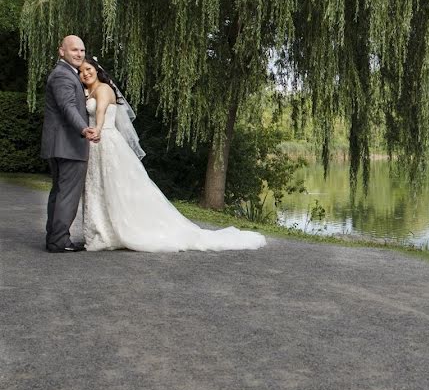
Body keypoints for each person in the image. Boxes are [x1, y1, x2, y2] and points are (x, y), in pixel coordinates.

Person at [79, 58, 266, 252]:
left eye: (89, 68)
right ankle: (103, 230)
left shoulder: (103, 89)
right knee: (98, 186)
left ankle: (118, 230)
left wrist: (98, 129)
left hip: (105, 139)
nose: (86, 73)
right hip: (95, 144)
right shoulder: (89, 91)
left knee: (114, 185)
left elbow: (100, 111)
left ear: (97, 69)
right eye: (81, 71)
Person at [41, 35, 99, 252]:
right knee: (67, 194)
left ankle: (55, 238)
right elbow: (68, 108)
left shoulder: (65, 74)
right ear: (61, 51)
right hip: (69, 145)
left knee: (59, 192)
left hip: (60, 145)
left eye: (82, 51)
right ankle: (59, 241)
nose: (79, 54)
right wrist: (84, 129)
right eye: (74, 50)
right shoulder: (63, 75)